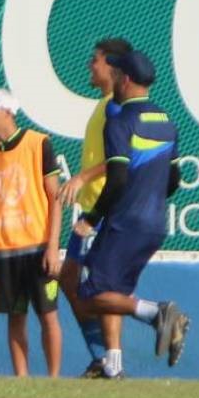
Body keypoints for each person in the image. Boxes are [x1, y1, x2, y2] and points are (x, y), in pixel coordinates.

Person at [71, 50, 188, 379]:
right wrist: (149, 197)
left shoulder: (121, 121)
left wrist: (92, 218)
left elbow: (118, 178)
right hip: (155, 222)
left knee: (90, 295)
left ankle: (158, 314)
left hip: (127, 221)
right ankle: (114, 365)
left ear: (124, 79)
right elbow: (174, 179)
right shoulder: (166, 120)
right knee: (114, 292)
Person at [0, 88, 64, 378]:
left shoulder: (39, 144)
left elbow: (55, 197)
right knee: (15, 317)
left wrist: (52, 246)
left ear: (8, 112)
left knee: (48, 315)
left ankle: (53, 378)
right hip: (4, 250)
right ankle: (21, 380)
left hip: (37, 246)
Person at [56, 38, 135, 378]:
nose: (90, 65)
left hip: (108, 210)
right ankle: (101, 357)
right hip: (90, 209)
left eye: (96, 60)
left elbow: (122, 158)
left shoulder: (116, 106)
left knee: (104, 286)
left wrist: (82, 177)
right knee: (69, 278)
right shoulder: (103, 104)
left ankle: (114, 360)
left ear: (113, 68)